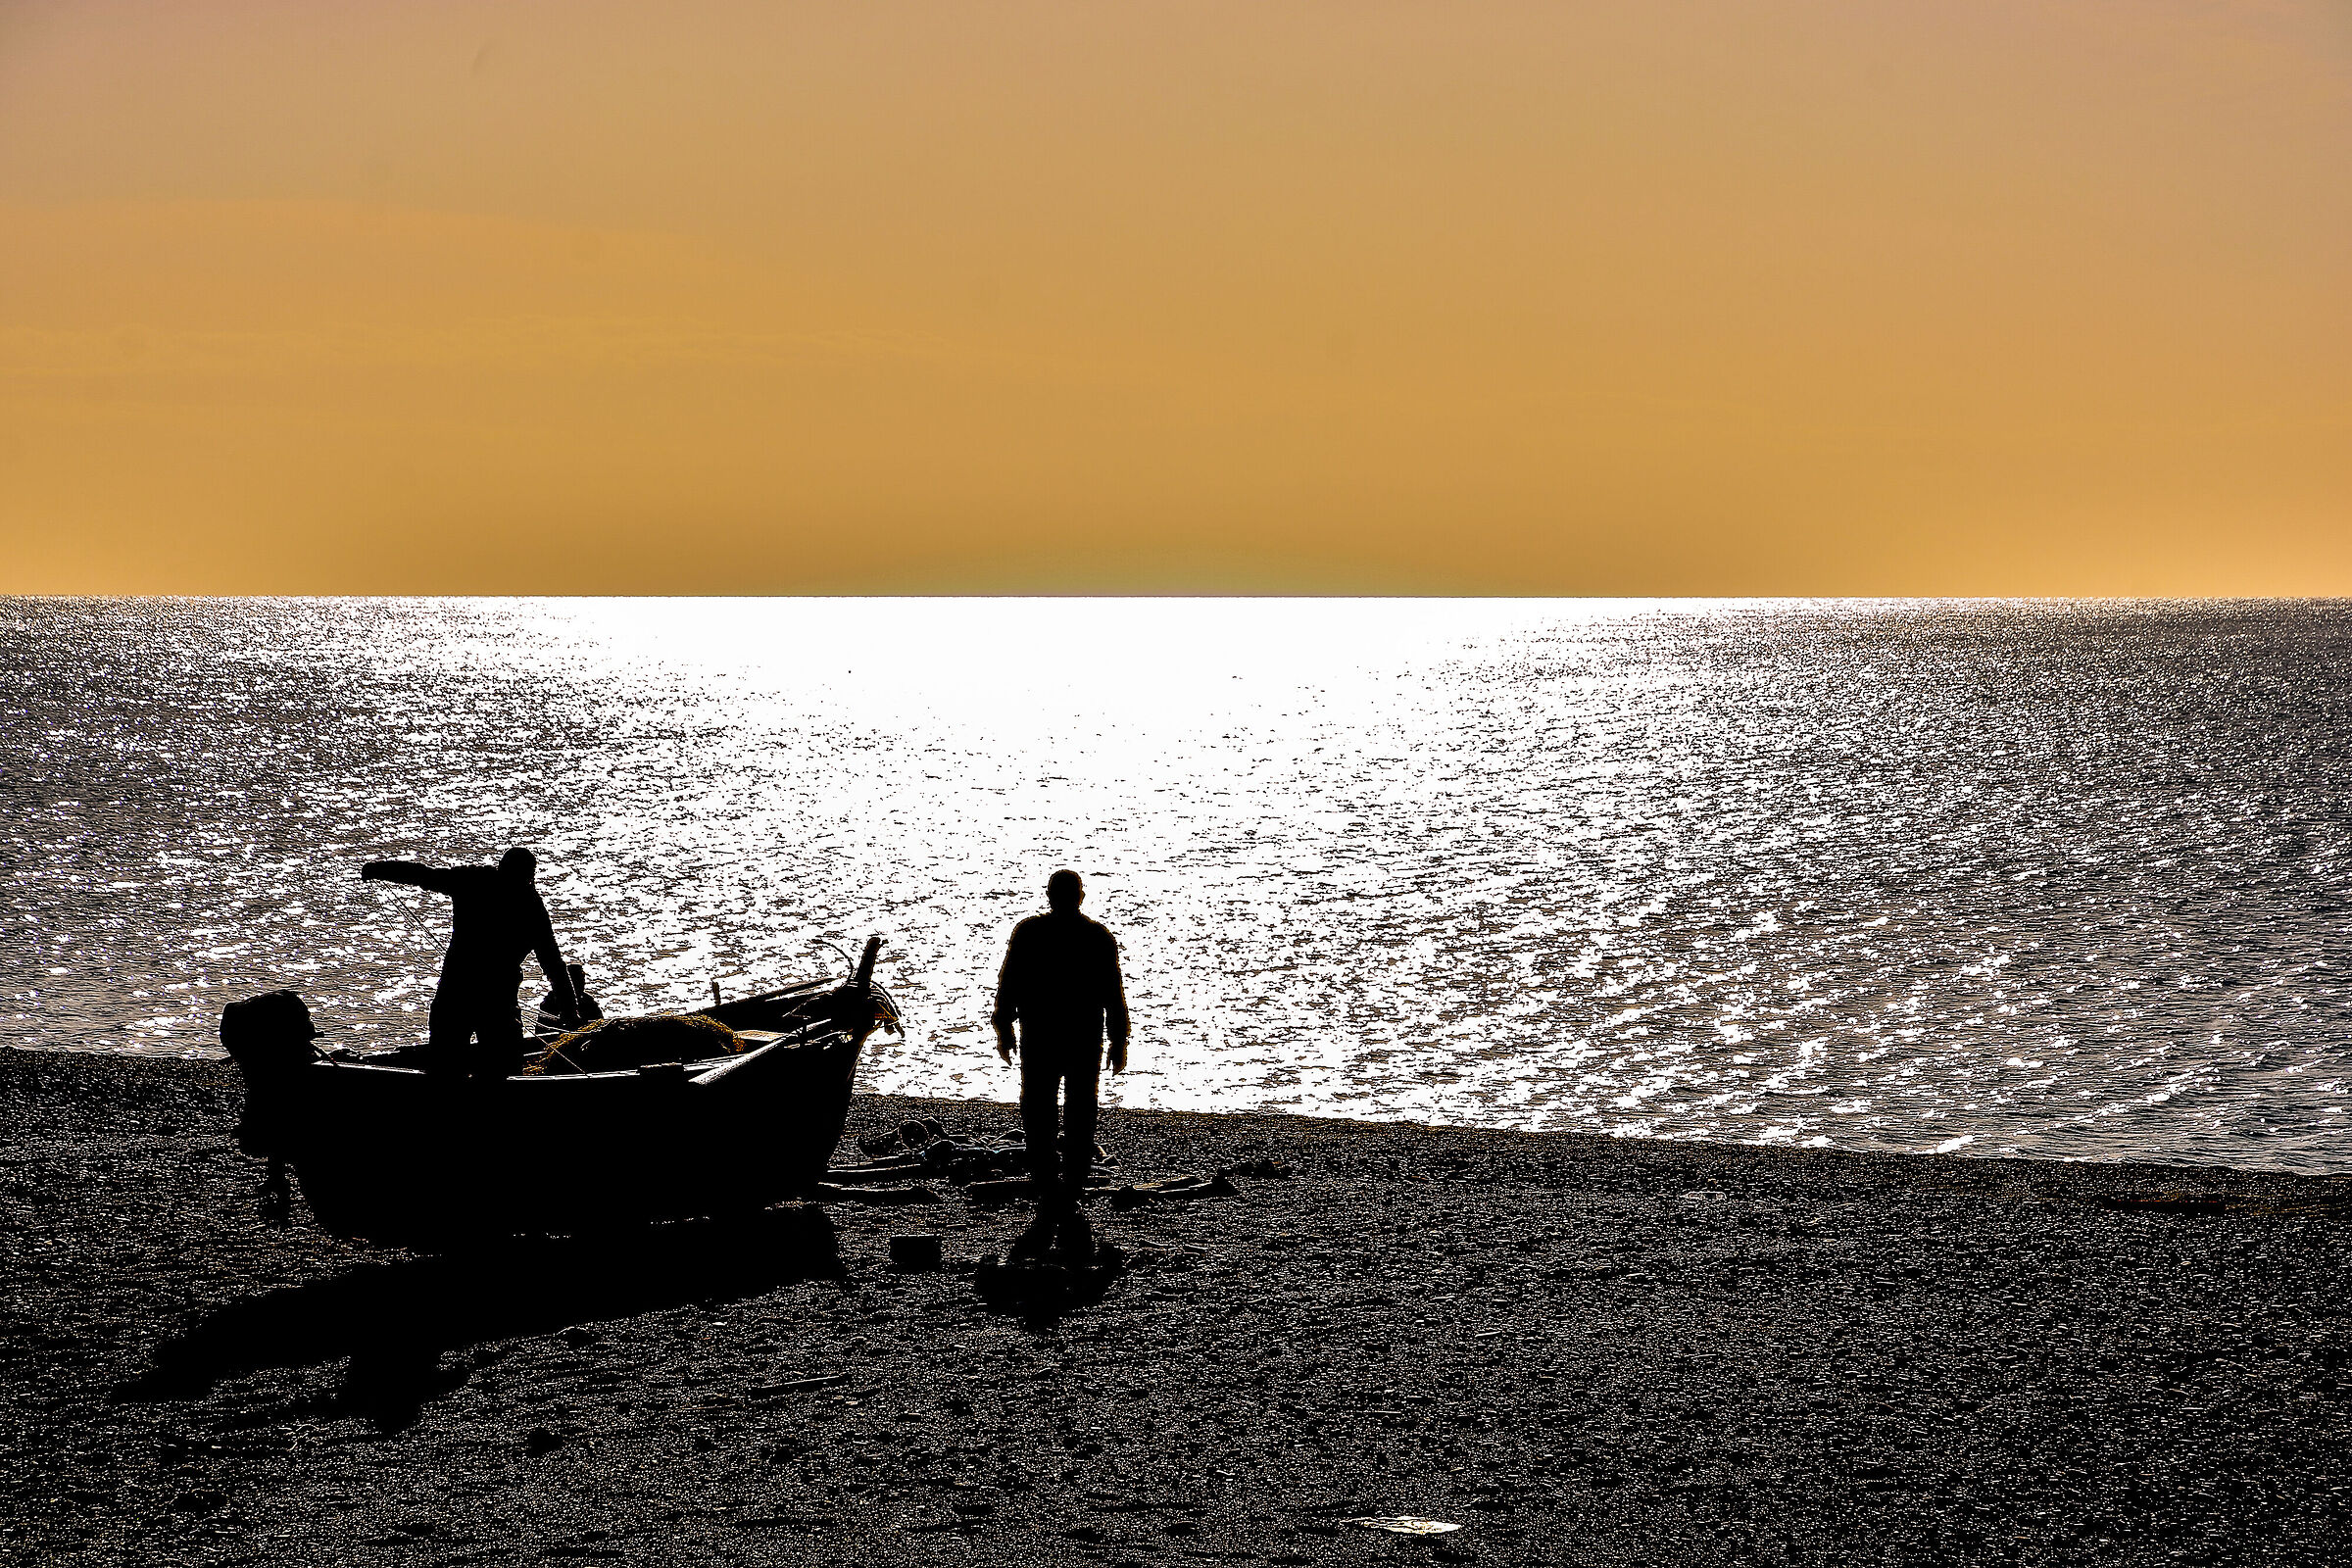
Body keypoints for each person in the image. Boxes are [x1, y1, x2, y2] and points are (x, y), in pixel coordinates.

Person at [992, 868, 1130, 1258]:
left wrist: (1004, 1026)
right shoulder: (1091, 935)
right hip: (1064, 1039)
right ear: (1079, 897)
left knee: (1055, 1118)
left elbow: (1009, 984)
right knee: (1064, 1118)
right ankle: (1060, 1203)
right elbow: (1112, 992)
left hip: (1057, 1038)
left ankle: (1058, 1203)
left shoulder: (1036, 932)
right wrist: (1118, 1039)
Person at [361, 848, 580, 1079]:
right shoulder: (530, 905)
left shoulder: (474, 881)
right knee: (498, 1073)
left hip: (461, 997)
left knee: (447, 1071)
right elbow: (553, 965)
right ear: (530, 876)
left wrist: (380, 869)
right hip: (491, 1003)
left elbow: (424, 875)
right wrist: (570, 1012)